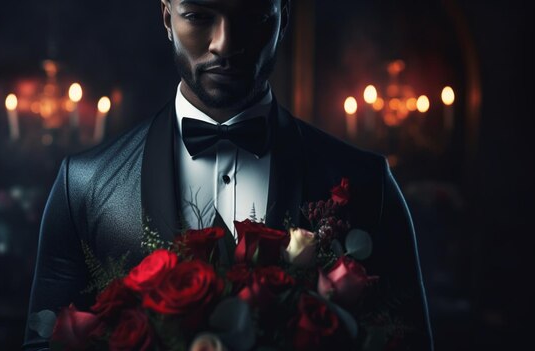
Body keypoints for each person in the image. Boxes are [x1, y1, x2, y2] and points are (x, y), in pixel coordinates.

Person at [23, 0, 434, 350]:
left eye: (253, 15)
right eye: (199, 16)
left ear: (283, 17)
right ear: (167, 18)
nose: (225, 43)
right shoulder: (84, 184)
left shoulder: (366, 182)